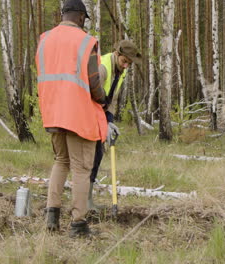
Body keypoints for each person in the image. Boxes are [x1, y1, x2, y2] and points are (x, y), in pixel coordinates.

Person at [35, 0, 107, 238]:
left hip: (52, 111)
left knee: (60, 161)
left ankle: (51, 216)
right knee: (81, 168)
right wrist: (103, 100)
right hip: (78, 114)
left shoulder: (45, 39)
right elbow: (94, 80)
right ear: (79, 17)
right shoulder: (86, 41)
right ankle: (78, 224)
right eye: (84, 19)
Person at [87, 40, 142, 210]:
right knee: (90, 156)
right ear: (117, 54)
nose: (126, 66)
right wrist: (102, 122)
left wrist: (109, 121)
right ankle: (84, 201)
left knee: (98, 154)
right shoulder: (103, 67)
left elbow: (112, 98)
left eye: (129, 63)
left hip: (101, 113)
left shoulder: (120, 71)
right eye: (124, 61)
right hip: (88, 113)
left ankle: (87, 199)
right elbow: (90, 97)